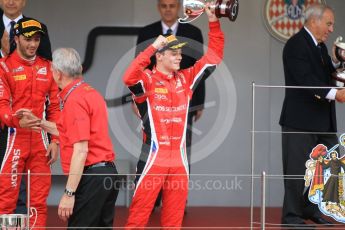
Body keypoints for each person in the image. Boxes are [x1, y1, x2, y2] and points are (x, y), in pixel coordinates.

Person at [123, 3, 224, 228]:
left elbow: (214, 57)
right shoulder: (146, 80)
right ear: (159, 56)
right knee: (137, 220)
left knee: (173, 223)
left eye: (180, 53)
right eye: (173, 53)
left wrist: (213, 21)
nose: (179, 57)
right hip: (152, 161)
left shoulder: (186, 78)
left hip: (179, 163)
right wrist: (151, 48)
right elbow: (128, 77)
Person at [18, 48, 119, 229]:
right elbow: (69, 131)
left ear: (58, 73)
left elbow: (81, 150)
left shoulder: (75, 100)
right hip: (107, 174)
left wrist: (68, 193)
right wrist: (40, 122)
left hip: (91, 176)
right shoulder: (90, 93)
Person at [135, 0, 213, 208]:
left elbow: (200, 71)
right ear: (158, 7)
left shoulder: (193, 32)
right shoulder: (147, 33)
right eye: (164, 5)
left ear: (178, 7)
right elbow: (138, 70)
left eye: (171, 5)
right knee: (152, 147)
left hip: (184, 102)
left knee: (181, 149)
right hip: (153, 103)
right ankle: (151, 198)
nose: (168, 9)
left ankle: (177, 200)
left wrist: (199, 103)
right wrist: (136, 100)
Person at [279, 3, 345, 228]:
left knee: (325, 169)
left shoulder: (320, 47)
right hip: (299, 122)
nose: (331, 29)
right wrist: (336, 93)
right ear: (314, 21)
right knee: (297, 171)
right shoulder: (296, 45)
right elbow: (305, 80)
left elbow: (325, 74)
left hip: (322, 123)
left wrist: (338, 61)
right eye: (328, 23)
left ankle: (311, 209)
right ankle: (291, 218)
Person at [0, 17, 59, 228]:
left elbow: (54, 108)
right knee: (6, 200)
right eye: (27, 39)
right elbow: (1, 106)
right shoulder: (4, 67)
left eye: (36, 39)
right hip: (14, 140)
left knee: (39, 202)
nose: (33, 44)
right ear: (16, 39)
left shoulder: (49, 67)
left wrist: (55, 141)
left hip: (41, 143)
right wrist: (15, 120)